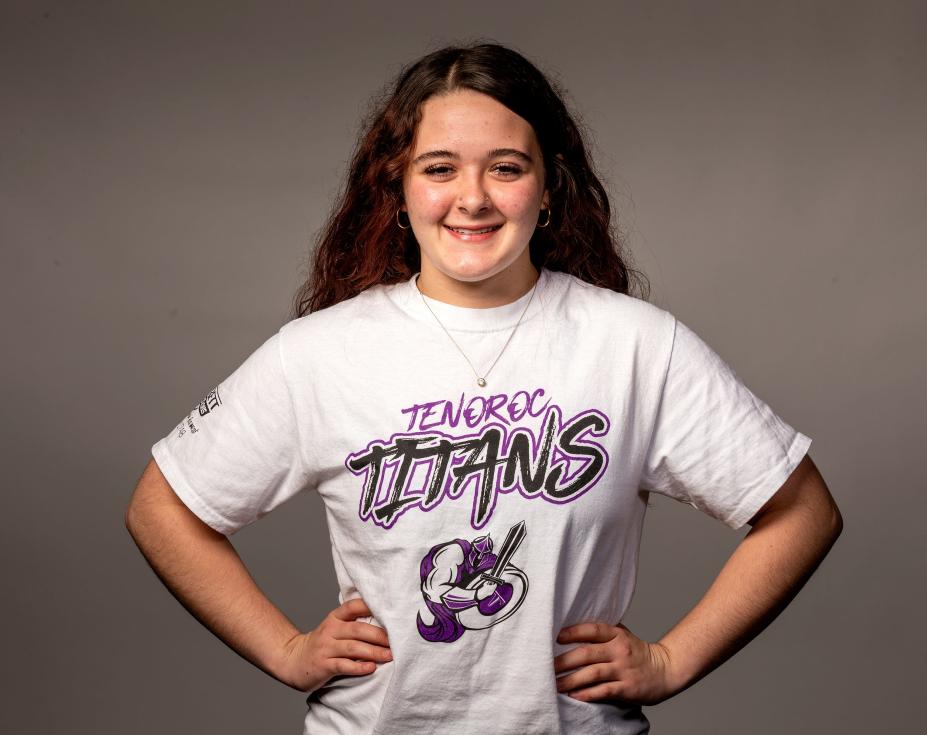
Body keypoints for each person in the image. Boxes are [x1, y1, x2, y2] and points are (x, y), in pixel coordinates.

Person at [125, 42, 843, 734]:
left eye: (505, 167)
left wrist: (670, 659)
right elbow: (162, 507)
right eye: (439, 167)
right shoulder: (320, 353)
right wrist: (286, 649)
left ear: (549, 187)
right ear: (398, 190)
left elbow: (802, 510)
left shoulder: (633, 346)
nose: (471, 198)